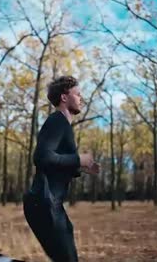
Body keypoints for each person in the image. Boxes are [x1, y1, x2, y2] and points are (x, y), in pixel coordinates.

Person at [23, 75, 100, 262]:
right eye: (78, 94)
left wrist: (81, 167)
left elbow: (56, 164)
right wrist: (78, 159)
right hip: (43, 202)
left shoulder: (63, 125)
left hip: (48, 204)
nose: (81, 98)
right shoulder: (57, 121)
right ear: (64, 97)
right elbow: (41, 157)